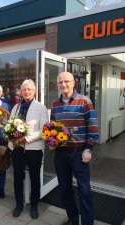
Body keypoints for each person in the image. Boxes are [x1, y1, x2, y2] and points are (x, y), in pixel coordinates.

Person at [50, 72, 98, 225]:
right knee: (64, 190)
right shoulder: (54, 104)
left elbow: (93, 126)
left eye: (66, 81)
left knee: (84, 191)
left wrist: (88, 149)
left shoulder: (84, 101)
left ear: (73, 83)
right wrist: (51, 142)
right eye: (60, 82)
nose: (63, 84)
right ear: (57, 85)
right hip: (60, 153)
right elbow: (52, 127)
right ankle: (73, 220)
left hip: (79, 153)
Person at [9, 79, 48, 219]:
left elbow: (43, 131)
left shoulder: (41, 108)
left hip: (34, 149)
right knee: (18, 176)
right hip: (17, 148)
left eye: (29, 89)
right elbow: (10, 125)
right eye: (24, 89)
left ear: (34, 91)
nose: (27, 92)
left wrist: (25, 139)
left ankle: (34, 205)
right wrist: (11, 135)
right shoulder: (16, 107)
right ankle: (19, 204)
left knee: (34, 177)